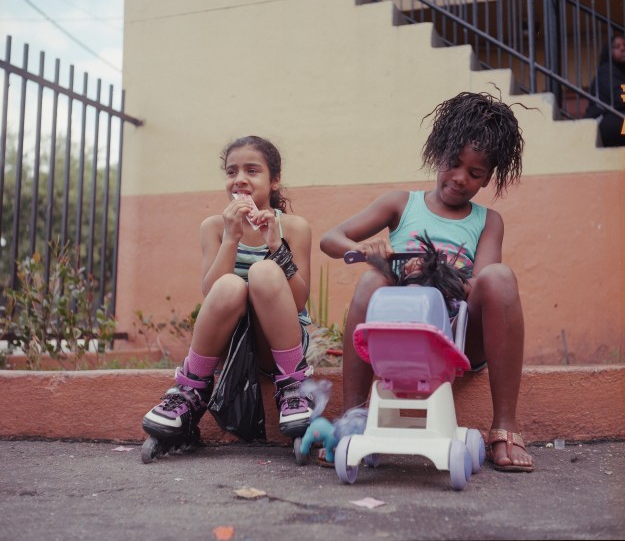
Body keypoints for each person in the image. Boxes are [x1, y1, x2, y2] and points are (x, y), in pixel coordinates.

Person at [320, 91, 534, 472]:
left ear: (488, 178)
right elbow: (330, 239)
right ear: (438, 152)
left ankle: (504, 426)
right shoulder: (401, 204)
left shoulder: (488, 221)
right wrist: (368, 251)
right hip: (397, 336)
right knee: (370, 283)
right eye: (453, 163)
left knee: (500, 277)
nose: (459, 178)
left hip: (456, 339)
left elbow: (480, 285)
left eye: (475, 172)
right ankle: (352, 418)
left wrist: (439, 271)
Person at [143, 135, 314, 443]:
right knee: (230, 285)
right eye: (232, 172)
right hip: (229, 344)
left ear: (274, 181)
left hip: (276, 345)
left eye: (252, 171)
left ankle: (293, 385)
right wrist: (231, 238)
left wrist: (276, 245)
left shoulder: (294, 227)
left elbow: (299, 300)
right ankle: (190, 389)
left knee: (264, 272)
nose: (240, 180)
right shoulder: (213, 227)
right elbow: (211, 294)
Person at [584, 34, 625, 147]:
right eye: (617, 46)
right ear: (609, 52)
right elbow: (618, 97)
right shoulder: (606, 72)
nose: (622, 48)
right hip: (605, 121)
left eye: (624, 45)